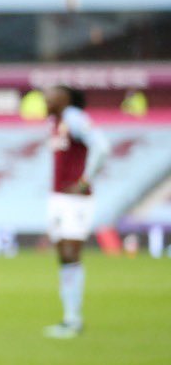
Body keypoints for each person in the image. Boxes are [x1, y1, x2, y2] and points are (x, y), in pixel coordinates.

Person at [42, 84, 104, 338]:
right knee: (64, 256)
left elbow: (102, 146)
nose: (46, 99)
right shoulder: (57, 122)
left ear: (65, 99)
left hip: (75, 199)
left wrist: (85, 181)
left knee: (70, 252)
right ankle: (69, 317)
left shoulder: (75, 118)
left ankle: (73, 319)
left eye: (51, 95)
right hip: (59, 197)